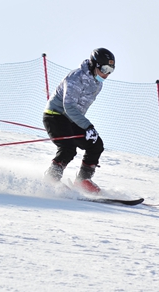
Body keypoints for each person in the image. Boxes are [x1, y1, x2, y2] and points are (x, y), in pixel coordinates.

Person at [43, 48, 115, 193]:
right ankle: (51, 179)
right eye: (105, 69)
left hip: (71, 119)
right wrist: (87, 126)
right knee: (68, 148)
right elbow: (68, 106)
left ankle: (83, 181)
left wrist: (85, 128)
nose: (106, 74)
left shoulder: (97, 83)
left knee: (96, 144)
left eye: (110, 70)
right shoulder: (76, 77)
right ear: (95, 65)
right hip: (55, 115)